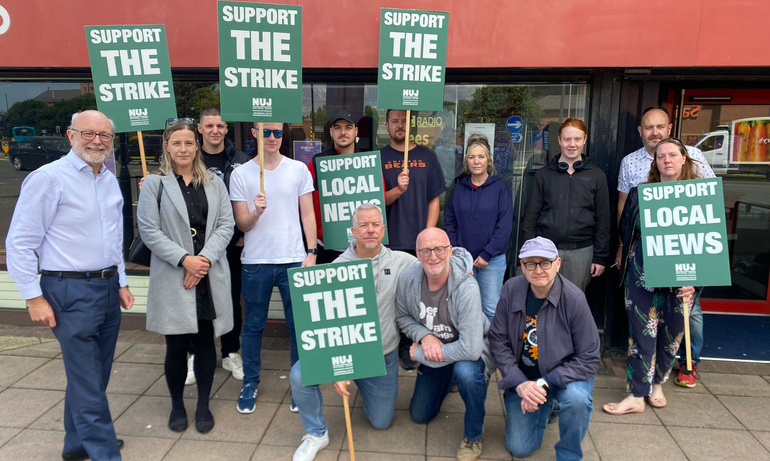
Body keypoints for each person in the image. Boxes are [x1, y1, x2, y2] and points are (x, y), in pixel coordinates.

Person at [6, 110, 134, 461]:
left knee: (94, 374)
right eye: (88, 133)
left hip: (107, 288)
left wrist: (121, 282)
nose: (97, 141)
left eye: (104, 135)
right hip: (68, 291)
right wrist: (33, 297)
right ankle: (105, 452)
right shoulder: (48, 178)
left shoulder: (108, 178)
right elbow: (20, 243)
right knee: (88, 379)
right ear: (70, 135)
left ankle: (76, 445)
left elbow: (113, 239)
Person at [290, 203, 416, 461]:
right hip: (345, 351)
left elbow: (437, 262)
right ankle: (316, 433)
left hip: (381, 355)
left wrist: (462, 266)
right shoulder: (336, 268)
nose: (370, 230)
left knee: (381, 422)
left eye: (375, 225)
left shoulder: (403, 262)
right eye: (363, 225)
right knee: (299, 375)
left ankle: (366, 386)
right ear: (353, 231)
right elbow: (324, 323)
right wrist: (336, 367)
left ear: (383, 229)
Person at [137, 122, 234, 434]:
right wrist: (185, 260)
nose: (183, 149)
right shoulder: (155, 184)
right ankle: (177, 404)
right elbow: (149, 231)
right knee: (177, 346)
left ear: (197, 146)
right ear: (167, 146)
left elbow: (226, 225)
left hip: (208, 273)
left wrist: (202, 261)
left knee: (206, 343)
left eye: (189, 143)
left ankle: (203, 404)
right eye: (176, 143)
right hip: (174, 275)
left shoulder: (215, 183)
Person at [616, 106, 715, 388]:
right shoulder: (632, 167)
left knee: (683, 318)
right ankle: (642, 382)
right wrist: (622, 245)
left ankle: (688, 363)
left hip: (683, 259)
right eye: (649, 127)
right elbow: (625, 210)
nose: (655, 132)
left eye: (660, 126)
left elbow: (710, 211)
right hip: (646, 260)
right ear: (641, 132)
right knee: (645, 322)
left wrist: (699, 274)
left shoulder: (694, 160)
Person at [604, 138, 699, 415]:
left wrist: (695, 281)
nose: (667, 160)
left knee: (672, 334)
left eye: (672, 155)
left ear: (684, 158)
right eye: (661, 156)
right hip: (642, 271)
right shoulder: (640, 193)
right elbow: (626, 229)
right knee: (641, 333)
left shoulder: (698, 194)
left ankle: (657, 384)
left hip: (682, 274)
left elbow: (708, 242)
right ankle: (636, 394)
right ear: (655, 162)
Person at [229, 121, 317, 414]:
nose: (272, 137)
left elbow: (307, 213)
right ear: (254, 132)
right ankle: (250, 382)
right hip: (256, 262)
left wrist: (311, 252)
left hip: (294, 259)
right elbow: (242, 223)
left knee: (298, 326)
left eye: (277, 132)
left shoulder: (298, 169)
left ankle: (300, 384)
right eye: (266, 131)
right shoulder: (241, 174)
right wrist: (256, 212)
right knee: (253, 326)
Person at [489, 237, 600, 460]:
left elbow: (589, 357)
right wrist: (519, 383)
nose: (538, 270)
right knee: (520, 448)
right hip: (525, 378)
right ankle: (546, 405)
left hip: (564, 377)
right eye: (531, 263)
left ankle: (568, 454)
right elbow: (498, 339)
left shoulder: (574, 299)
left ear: (557, 264)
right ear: (522, 266)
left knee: (576, 400)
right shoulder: (511, 289)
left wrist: (545, 383)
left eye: (545, 263)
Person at [396, 227, 493, 461]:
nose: (433, 256)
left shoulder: (466, 287)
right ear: (417, 254)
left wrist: (421, 354)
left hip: (470, 352)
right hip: (437, 347)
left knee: (466, 373)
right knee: (419, 414)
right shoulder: (408, 278)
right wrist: (424, 335)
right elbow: (402, 316)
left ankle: (473, 436)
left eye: (439, 249)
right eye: (426, 250)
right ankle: (449, 378)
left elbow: (470, 349)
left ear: (450, 251)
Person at [381, 109, 446, 369]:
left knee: (417, 298)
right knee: (389, 297)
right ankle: (392, 345)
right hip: (388, 242)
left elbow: (434, 200)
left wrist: (427, 237)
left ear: (412, 125)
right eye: (394, 121)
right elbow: (375, 202)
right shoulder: (379, 158)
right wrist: (398, 189)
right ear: (387, 126)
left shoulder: (427, 157)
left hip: (419, 245)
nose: (400, 125)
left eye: (404, 121)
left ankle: (412, 344)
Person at [195, 107, 251, 382]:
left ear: (226, 129)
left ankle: (230, 352)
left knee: (230, 299)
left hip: (231, 244)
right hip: (196, 245)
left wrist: (245, 233)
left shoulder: (242, 160)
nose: (215, 130)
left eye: (220, 126)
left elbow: (251, 198)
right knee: (196, 300)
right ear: (200, 128)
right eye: (209, 126)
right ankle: (196, 353)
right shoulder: (189, 157)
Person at [522, 118, 610, 291]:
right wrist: (529, 254)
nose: (572, 144)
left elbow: (603, 219)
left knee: (573, 300)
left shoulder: (596, 176)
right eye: (567, 139)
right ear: (559, 140)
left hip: (582, 251)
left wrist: (600, 256)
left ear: (585, 140)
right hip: (546, 251)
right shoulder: (543, 175)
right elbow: (530, 218)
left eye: (577, 139)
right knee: (543, 298)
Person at [445, 134, 513, 321]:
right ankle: (471, 341)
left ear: (488, 160)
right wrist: (458, 253)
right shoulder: (458, 189)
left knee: (490, 308)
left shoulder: (500, 188)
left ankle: (490, 342)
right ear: (466, 161)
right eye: (472, 157)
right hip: (464, 262)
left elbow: (505, 225)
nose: (476, 161)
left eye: (481, 156)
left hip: (492, 261)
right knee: (466, 308)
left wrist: (487, 254)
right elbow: (450, 222)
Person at [306, 108, 359, 263]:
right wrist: (311, 248)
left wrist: (398, 190)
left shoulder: (368, 162)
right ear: (331, 132)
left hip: (360, 247)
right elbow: (307, 206)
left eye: (348, 127)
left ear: (356, 131)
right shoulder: (317, 163)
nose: (343, 132)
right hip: (324, 247)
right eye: (337, 128)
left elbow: (379, 200)